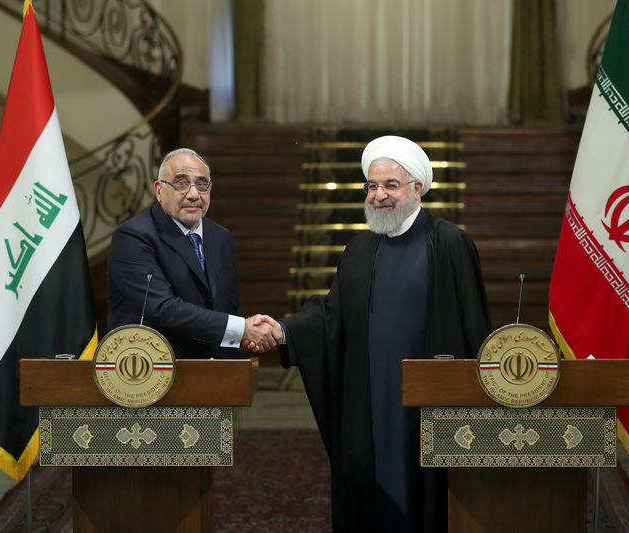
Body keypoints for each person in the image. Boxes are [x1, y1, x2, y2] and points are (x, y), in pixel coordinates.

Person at [252, 136, 491, 532]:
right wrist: (283, 330)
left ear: (417, 189)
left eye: (390, 186)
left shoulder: (449, 242)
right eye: (372, 186)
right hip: (368, 401)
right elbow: (332, 316)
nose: (379, 195)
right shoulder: (359, 249)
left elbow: (474, 328)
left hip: (428, 406)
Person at [107, 147, 277, 357]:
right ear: (159, 190)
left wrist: (241, 337)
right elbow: (162, 309)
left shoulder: (222, 238)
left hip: (215, 372)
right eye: (181, 184)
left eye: (202, 184)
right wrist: (242, 329)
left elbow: (227, 308)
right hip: (151, 371)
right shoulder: (133, 236)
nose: (194, 194)